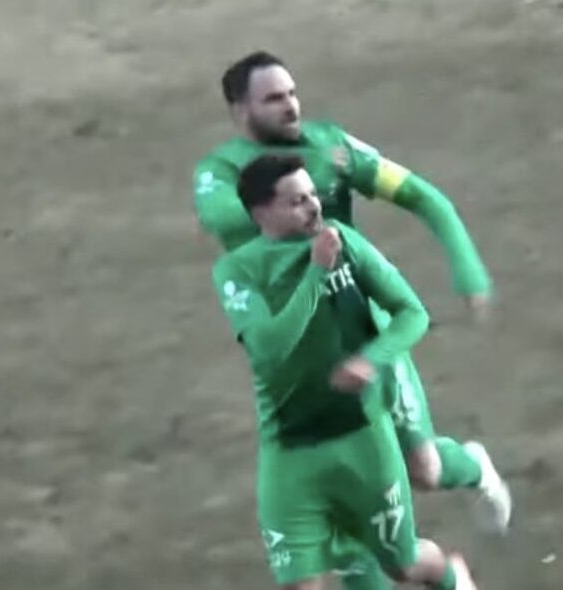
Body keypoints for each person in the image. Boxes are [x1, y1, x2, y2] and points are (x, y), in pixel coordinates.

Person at [193, 51, 511, 527]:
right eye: (273, 99)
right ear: (241, 110)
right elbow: (225, 216)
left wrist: (468, 271)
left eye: (292, 93)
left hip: (362, 325)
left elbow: (423, 197)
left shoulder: (332, 146)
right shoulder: (218, 172)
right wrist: (301, 187)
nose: (291, 106)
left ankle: (473, 468)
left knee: (424, 470)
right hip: (297, 345)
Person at [212, 153, 477, 589]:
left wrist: (372, 359)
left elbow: (412, 312)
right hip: (290, 452)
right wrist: (316, 273)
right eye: (297, 201)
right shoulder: (238, 270)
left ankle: (452, 577)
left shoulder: (345, 242)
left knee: (401, 565)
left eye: (312, 195)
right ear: (262, 213)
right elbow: (269, 347)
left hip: (363, 441)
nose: (314, 206)